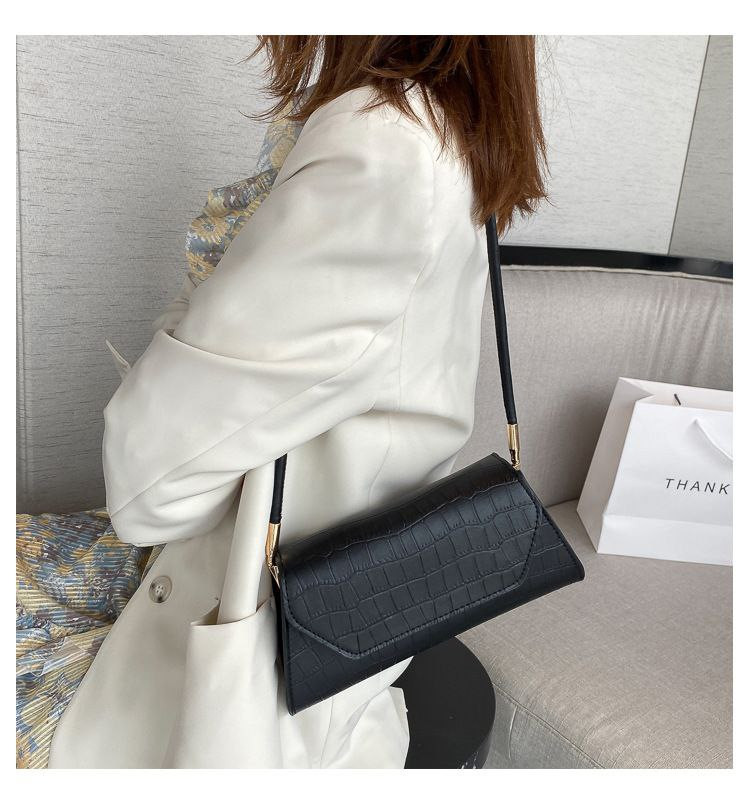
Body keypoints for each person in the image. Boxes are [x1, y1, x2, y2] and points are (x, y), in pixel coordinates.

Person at [48, 35, 548, 768]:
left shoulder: (381, 148)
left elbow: (146, 493)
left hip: (237, 662)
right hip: (341, 627)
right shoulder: (454, 132)